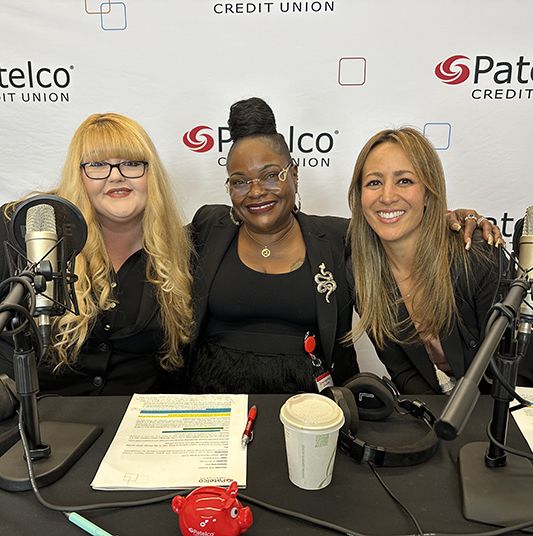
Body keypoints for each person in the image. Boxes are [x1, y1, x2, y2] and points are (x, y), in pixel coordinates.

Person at [187, 97, 500, 394]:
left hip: (313, 404)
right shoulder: (209, 226)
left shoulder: (341, 238)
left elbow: (397, 223)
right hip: (212, 400)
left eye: (271, 176)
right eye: (240, 181)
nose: (255, 191)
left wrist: (451, 219)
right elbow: (157, 241)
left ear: (294, 174)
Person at [0, 113, 193, 395]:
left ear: (151, 173)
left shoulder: (179, 247)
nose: (116, 176)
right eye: (98, 164)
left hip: (134, 425)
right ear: (78, 175)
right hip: (36, 421)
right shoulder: (22, 226)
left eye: (131, 163)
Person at [347, 127, 501, 394]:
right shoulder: (361, 274)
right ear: (360, 198)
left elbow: (511, 369)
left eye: (404, 181)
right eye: (374, 182)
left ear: (428, 193)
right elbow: (403, 372)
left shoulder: (477, 257)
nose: (387, 196)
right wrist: (435, 421)